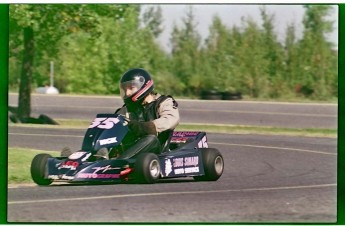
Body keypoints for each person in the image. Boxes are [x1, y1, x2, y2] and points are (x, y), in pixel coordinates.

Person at [112, 68, 180, 159]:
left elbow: (171, 119)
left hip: (156, 151)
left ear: (143, 86)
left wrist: (146, 127)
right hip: (130, 147)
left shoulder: (163, 102)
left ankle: (119, 163)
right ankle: (97, 159)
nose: (127, 93)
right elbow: (115, 123)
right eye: (125, 89)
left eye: (131, 88)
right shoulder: (127, 109)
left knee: (150, 139)